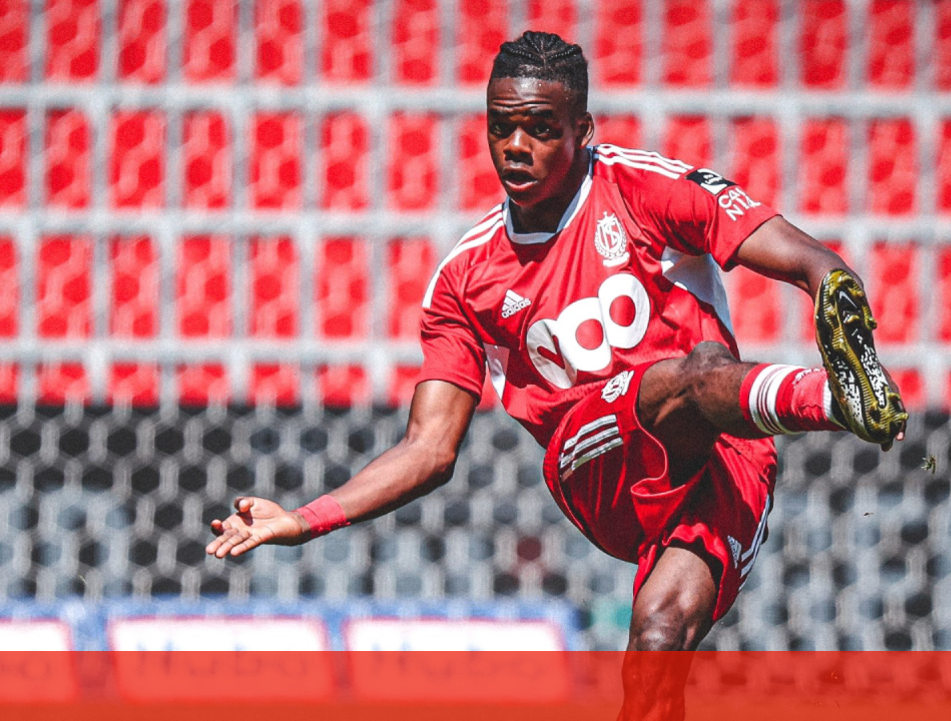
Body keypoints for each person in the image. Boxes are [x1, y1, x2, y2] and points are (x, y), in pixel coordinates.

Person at [207, 30, 906, 716]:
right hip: (597, 467)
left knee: (660, 635)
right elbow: (429, 448)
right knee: (690, 374)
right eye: (501, 127)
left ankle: (850, 393)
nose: (516, 146)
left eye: (540, 129)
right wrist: (304, 518)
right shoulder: (466, 278)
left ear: (583, 130)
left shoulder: (647, 188)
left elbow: (807, 259)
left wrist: (835, 290)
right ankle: (835, 401)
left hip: (727, 462)